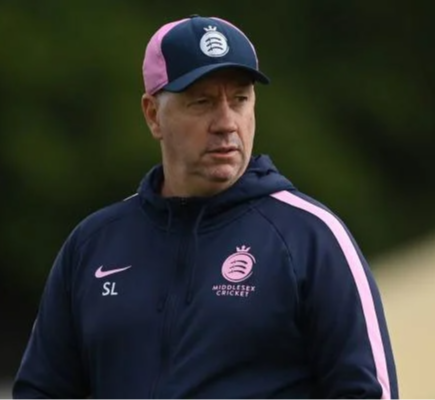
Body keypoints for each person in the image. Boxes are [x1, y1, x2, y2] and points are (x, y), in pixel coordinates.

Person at [13, 14, 398, 399]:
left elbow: (366, 392)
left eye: (240, 100)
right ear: (153, 114)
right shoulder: (93, 245)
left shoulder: (311, 237)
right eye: (203, 102)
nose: (226, 122)